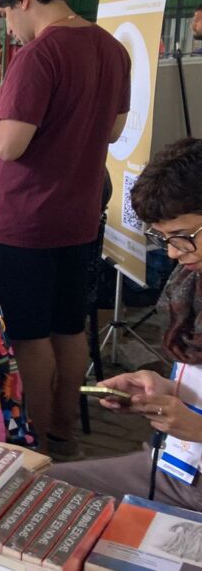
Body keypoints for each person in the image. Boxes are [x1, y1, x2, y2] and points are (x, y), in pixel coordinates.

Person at [0, 0, 130, 459]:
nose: (11, 29)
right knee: (68, 327)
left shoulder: (39, 56)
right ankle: (64, 434)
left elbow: (10, 146)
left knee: (26, 337)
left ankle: (33, 443)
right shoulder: (109, 48)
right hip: (77, 216)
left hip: (24, 221)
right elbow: (113, 129)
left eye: (5, 15)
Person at [48, 138, 202, 510]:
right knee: (35, 490)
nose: (172, 253)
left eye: (183, 237)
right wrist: (162, 388)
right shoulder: (192, 285)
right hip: (176, 466)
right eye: (163, 238)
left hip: (186, 477)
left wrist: (197, 429)